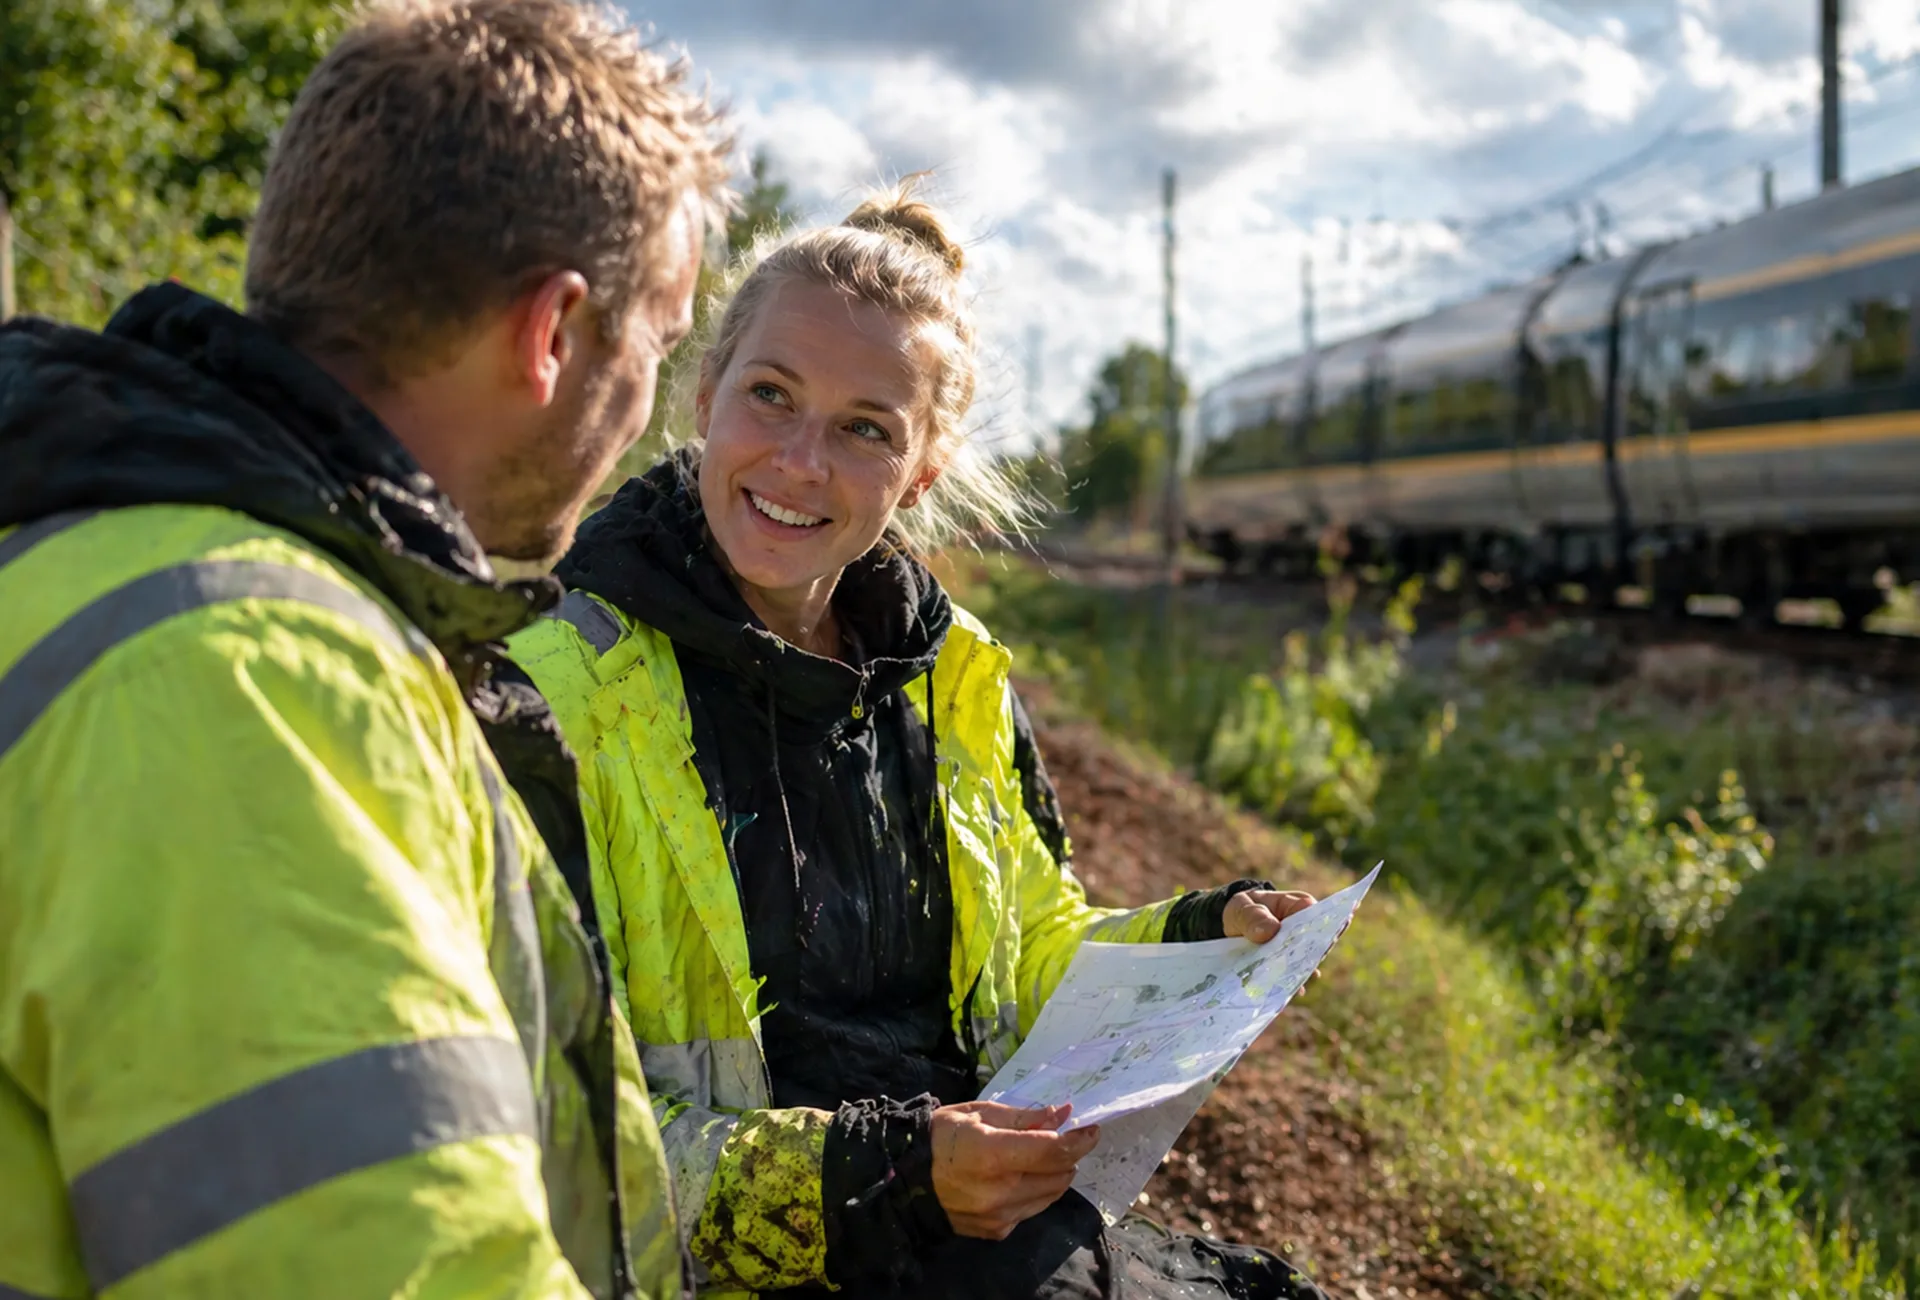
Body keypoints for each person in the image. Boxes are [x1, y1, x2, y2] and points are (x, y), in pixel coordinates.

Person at [0, 2, 729, 1296]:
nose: (650, 412)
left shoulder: (119, 558)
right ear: (553, 333)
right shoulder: (253, 670)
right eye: (659, 341)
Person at [506, 183, 1334, 1300]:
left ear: (922, 469)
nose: (801, 461)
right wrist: (881, 1177)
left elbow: (1029, 952)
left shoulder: (953, 676)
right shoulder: (557, 688)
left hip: (965, 1239)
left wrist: (1195, 939)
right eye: (771, 395)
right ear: (705, 394)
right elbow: (551, 1135)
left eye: (864, 429)